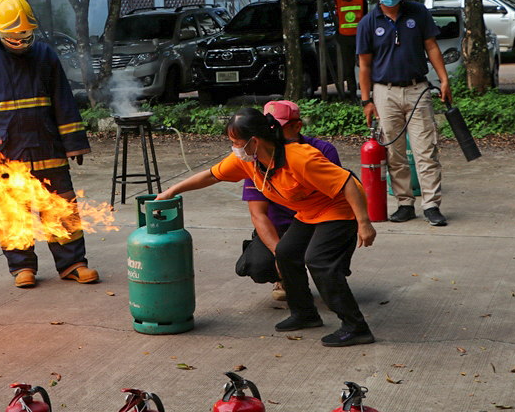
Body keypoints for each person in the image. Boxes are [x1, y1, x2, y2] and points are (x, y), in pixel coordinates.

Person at [157, 107, 376, 347]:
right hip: (309, 212)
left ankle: (356, 327)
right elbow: (211, 176)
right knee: (285, 253)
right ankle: (305, 314)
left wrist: (364, 224)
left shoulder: (299, 158)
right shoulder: (250, 161)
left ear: (254, 141)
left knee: (319, 261)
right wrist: (172, 190)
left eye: (235, 142)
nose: (233, 148)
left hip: (339, 208)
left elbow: (347, 183)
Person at [0, 0, 99, 288]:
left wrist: (74, 141)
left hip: (47, 148)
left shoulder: (45, 56)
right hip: (4, 155)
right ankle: (22, 267)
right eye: (13, 38)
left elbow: (63, 101)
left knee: (62, 208)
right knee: (12, 213)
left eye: (25, 36)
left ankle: (73, 263)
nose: (20, 43)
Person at [356, 0, 452, 227]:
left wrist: (444, 79)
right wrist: (367, 101)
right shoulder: (368, 22)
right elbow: (364, 65)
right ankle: (404, 203)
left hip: (417, 89)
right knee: (393, 152)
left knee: (426, 149)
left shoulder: (418, 12)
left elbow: (431, 46)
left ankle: (431, 205)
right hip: (384, 91)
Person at [236, 100, 341, 303]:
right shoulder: (255, 157)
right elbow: (257, 213)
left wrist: (362, 222)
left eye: (278, 128)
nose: (272, 133)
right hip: (281, 230)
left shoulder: (319, 153)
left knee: (324, 255)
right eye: (268, 127)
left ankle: (328, 280)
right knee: (258, 265)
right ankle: (285, 278)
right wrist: (280, 254)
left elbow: (342, 192)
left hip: (316, 224)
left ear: (297, 127)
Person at [334, 0, 367, 97]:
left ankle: (365, 93)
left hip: (359, 36)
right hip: (344, 37)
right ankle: (352, 96)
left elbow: (365, 14)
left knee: (364, 65)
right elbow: (338, 17)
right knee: (348, 68)